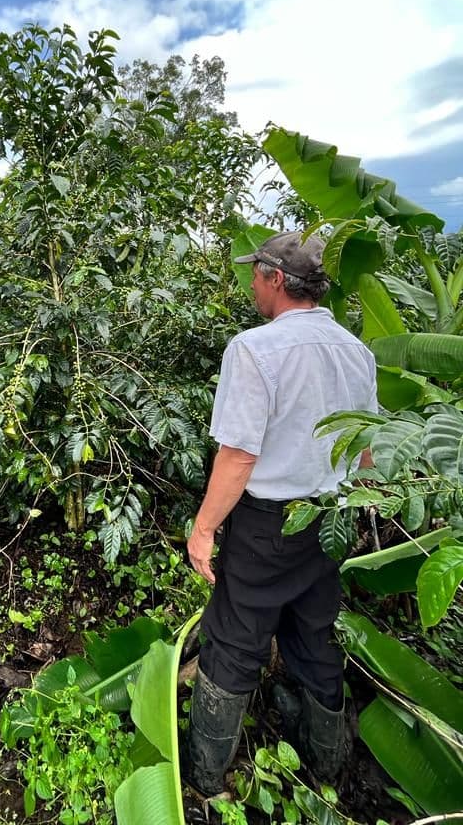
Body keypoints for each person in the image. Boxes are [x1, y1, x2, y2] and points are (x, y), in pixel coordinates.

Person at [185, 230, 377, 796]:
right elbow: (366, 448)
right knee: (315, 635)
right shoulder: (355, 350)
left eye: (254, 276)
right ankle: (328, 766)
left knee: (235, 638)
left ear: (275, 280)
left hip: (267, 524)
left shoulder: (254, 349)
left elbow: (239, 454)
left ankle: (205, 777)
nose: (250, 286)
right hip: (331, 519)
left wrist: (203, 529)